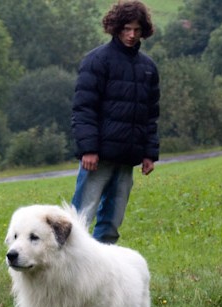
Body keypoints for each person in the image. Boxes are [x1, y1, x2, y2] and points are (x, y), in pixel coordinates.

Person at [71, 1, 160, 244]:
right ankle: (65, 276)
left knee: (112, 223)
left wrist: (149, 154)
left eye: (137, 30)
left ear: (144, 31)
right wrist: (88, 149)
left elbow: (150, 115)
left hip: (127, 159)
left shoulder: (148, 68)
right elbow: (83, 109)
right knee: (78, 222)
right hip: (96, 158)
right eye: (126, 29)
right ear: (116, 28)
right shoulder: (96, 61)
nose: (131, 35)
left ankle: (101, 274)